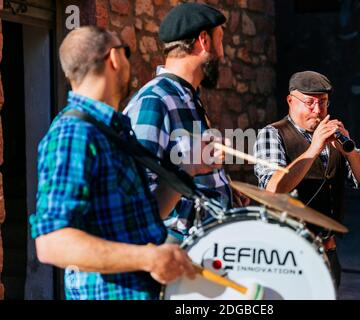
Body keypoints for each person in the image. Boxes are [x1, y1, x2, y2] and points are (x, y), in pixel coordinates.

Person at [28, 26, 223, 300]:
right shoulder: (74, 133)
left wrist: (189, 169)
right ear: (115, 58)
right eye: (127, 53)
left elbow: (144, 218)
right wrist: (148, 257)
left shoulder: (111, 129)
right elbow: (53, 243)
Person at [124, 3, 248, 243]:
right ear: (204, 40)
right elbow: (138, 196)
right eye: (220, 40)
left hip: (201, 246)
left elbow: (185, 170)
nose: (222, 54)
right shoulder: (154, 100)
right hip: (177, 249)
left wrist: (225, 191)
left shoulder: (188, 98)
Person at [253, 71, 360, 287]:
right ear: (290, 101)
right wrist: (314, 148)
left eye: (323, 103)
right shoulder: (272, 134)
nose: (318, 111)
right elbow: (272, 189)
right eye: (310, 102)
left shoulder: (334, 136)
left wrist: (349, 151)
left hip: (327, 252)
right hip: (287, 255)